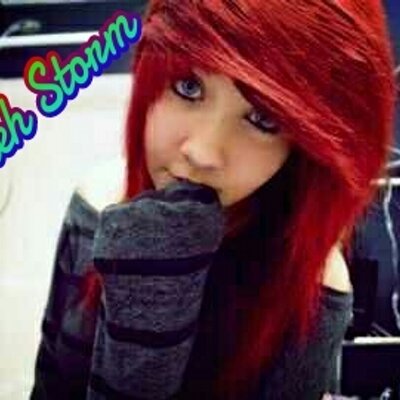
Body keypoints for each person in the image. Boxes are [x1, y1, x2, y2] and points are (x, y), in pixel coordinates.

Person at [30, 1, 397, 399]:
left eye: (263, 119)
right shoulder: (97, 202)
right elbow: (51, 386)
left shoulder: (311, 286)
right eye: (188, 87)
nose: (202, 152)